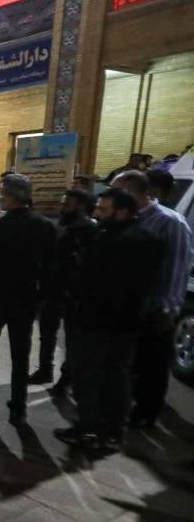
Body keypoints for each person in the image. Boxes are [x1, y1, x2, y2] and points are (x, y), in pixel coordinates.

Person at [53, 188, 163, 451]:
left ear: (122, 212)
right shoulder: (150, 239)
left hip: (95, 321)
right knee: (118, 377)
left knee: (88, 376)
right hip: (127, 322)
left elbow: (85, 281)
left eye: (103, 210)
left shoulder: (108, 241)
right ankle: (114, 431)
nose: (97, 213)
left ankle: (87, 428)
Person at [0, 174, 57, 426]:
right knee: (21, 354)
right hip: (25, 297)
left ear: (14, 196)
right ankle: (18, 406)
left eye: (3, 193)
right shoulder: (45, 226)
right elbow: (50, 267)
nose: (0, 197)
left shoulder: (0, 226)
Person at [112, 170, 193, 428]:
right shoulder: (128, 219)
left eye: (116, 192)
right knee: (130, 362)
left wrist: (168, 309)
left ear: (131, 192)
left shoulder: (171, 223)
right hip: (128, 305)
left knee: (152, 365)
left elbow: (178, 267)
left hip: (155, 306)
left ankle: (145, 414)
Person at [28, 190, 98, 392]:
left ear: (81, 206)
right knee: (47, 333)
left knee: (72, 338)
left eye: (68, 204)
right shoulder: (61, 225)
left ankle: (67, 376)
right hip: (52, 289)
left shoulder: (90, 230)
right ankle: (45, 369)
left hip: (73, 294)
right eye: (63, 203)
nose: (63, 207)